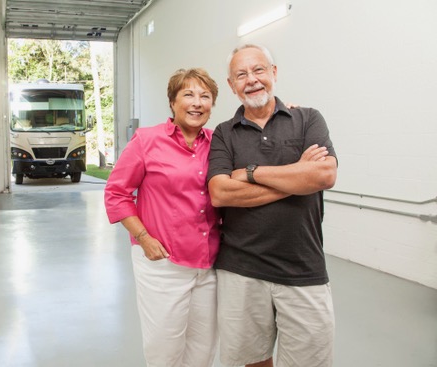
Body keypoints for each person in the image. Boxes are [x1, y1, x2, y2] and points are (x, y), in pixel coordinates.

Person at [207, 44, 338, 367]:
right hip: (241, 270)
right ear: (231, 85)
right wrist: (296, 180)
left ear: (274, 73)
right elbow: (220, 193)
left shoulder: (308, 119)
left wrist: (251, 173)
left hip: (303, 268)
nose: (251, 80)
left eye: (259, 70)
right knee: (251, 361)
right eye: (241, 75)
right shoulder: (224, 133)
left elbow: (324, 173)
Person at [104, 68, 220, 367]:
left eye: (205, 96)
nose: (197, 103)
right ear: (172, 102)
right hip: (163, 263)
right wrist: (143, 238)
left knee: (202, 349)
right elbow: (116, 193)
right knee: (164, 351)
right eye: (188, 95)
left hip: (209, 265)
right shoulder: (147, 140)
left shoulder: (219, 143)